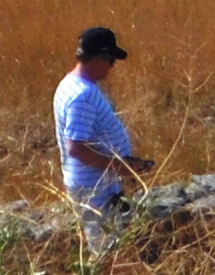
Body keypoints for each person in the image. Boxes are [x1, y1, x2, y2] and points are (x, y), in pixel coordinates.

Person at [52, 26, 153, 253]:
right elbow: (76, 148)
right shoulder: (83, 95)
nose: (111, 68)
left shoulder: (68, 84)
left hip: (96, 183)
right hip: (94, 188)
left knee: (110, 245)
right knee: (105, 251)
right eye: (111, 61)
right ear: (98, 59)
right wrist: (121, 166)